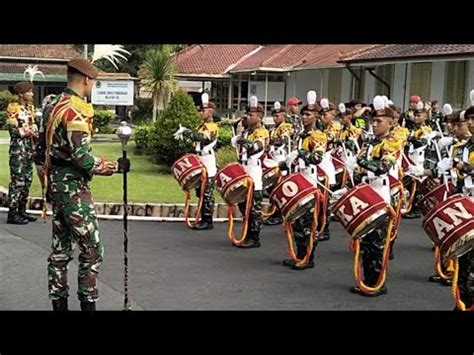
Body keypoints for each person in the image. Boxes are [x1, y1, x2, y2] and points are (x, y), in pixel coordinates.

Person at [44, 58, 118, 311]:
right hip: (73, 188)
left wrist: (50, 184)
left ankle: (59, 305)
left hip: (56, 185)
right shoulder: (75, 110)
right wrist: (113, 167)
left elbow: (39, 152)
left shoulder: (52, 105)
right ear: (87, 79)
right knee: (92, 249)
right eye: (93, 82)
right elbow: (82, 158)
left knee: (60, 251)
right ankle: (88, 303)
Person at [176, 93, 219, 230]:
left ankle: (208, 219)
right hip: (200, 157)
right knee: (200, 189)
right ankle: (202, 217)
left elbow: (202, 138)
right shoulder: (201, 125)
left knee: (206, 190)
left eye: (203, 110)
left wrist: (187, 132)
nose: (200, 113)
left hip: (207, 159)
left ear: (210, 112)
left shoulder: (211, 126)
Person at [231, 96, 269, 248]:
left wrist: (241, 140)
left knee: (254, 206)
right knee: (243, 203)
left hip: (254, 169)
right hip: (244, 168)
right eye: (247, 114)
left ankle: (254, 237)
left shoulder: (262, 132)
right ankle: (247, 233)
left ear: (259, 117)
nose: (247, 116)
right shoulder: (246, 132)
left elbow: (256, 147)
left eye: (251, 115)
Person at [6, 81, 39, 224]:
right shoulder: (13, 108)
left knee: (27, 180)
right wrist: (27, 132)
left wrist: (35, 132)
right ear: (21, 94)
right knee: (18, 181)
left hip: (29, 148)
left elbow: (34, 125)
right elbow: (13, 130)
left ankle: (22, 210)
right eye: (29, 91)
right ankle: (12, 213)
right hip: (18, 149)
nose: (32, 94)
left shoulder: (30, 108)